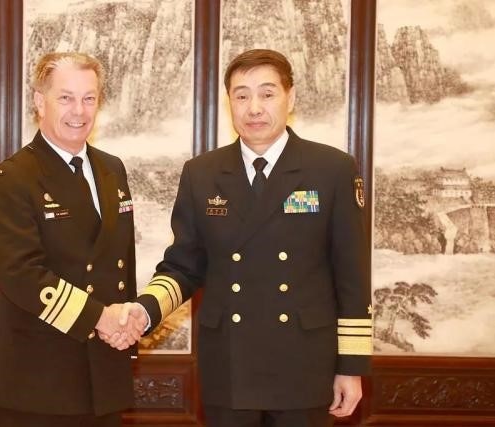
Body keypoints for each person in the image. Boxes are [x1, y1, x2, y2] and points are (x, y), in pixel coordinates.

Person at [117, 49, 373, 427]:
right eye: (242, 95)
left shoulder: (332, 169)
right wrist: (145, 309)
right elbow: (184, 266)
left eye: (267, 94)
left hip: (304, 363)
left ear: (291, 98)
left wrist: (350, 366)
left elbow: (352, 274)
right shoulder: (201, 174)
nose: (254, 107)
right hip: (229, 363)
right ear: (229, 102)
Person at [0, 52, 145, 427]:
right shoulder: (11, 179)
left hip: (104, 373)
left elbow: (119, 262)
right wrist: (100, 317)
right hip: (39, 381)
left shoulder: (112, 169)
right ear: (40, 102)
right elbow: (22, 274)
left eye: (89, 98)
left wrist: (127, 323)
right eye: (65, 97)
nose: (79, 111)